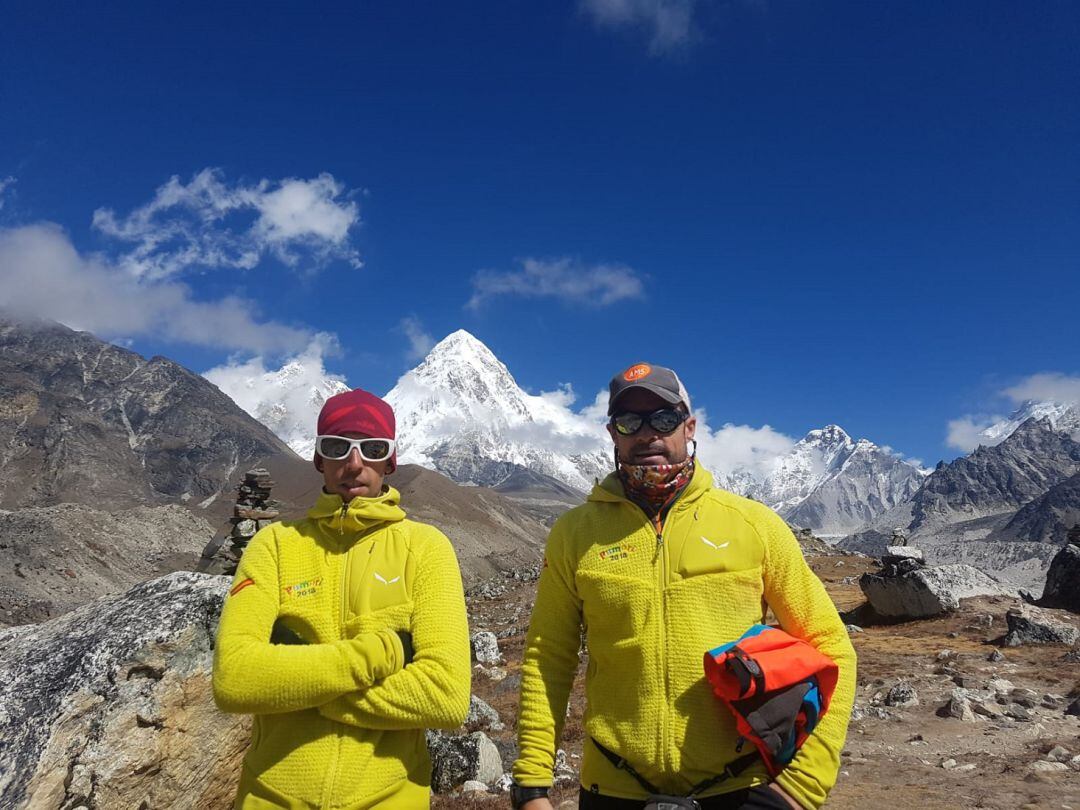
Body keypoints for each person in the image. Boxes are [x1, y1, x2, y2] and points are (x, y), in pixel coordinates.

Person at [511, 363, 856, 810]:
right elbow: (547, 655)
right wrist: (532, 785)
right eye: (629, 421)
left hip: (739, 788)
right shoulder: (575, 533)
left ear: (689, 427)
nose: (647, 433)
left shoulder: (755, 525)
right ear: (613, 433)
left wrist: (800, 787)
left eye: (664, 418)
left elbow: (832, 645)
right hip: (613, 788)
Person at [213, 388, 471, 809]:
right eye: (337, 447)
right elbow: (235, 680)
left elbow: (445, 696)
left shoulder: (425, 548)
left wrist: (297, 684)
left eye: (372, 449)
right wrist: (382, 653)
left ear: (390, 460)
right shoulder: (274, 546)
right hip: (270, 799)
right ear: (318, 459)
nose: (354, 463)